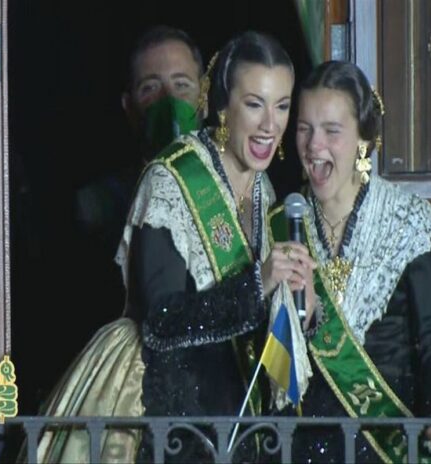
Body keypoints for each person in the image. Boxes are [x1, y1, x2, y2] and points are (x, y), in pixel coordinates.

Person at [121, 30, 316, 462]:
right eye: (255, 104)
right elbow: (161, 321)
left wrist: (300, 301)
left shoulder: (263, 188)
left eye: (282, 106)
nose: (270, 125)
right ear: (221, 106)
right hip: (183, 432)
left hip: (247, 432)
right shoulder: (171, 180)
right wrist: (258, 283)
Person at [269, 60, 431, 463]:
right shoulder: (281, 224)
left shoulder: (406, 220)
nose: (314, 145)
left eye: (332, 131)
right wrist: (302, 323)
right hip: (302, 446)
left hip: (387, 445)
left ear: (363, 137)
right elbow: (273, 370)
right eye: (304, 128)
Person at [74, 25, 205, 258]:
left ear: (204, 99)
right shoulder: (98, 208)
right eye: (150, 88)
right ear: (129, 107)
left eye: (182, 85)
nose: (169, 99)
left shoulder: (240, 191)